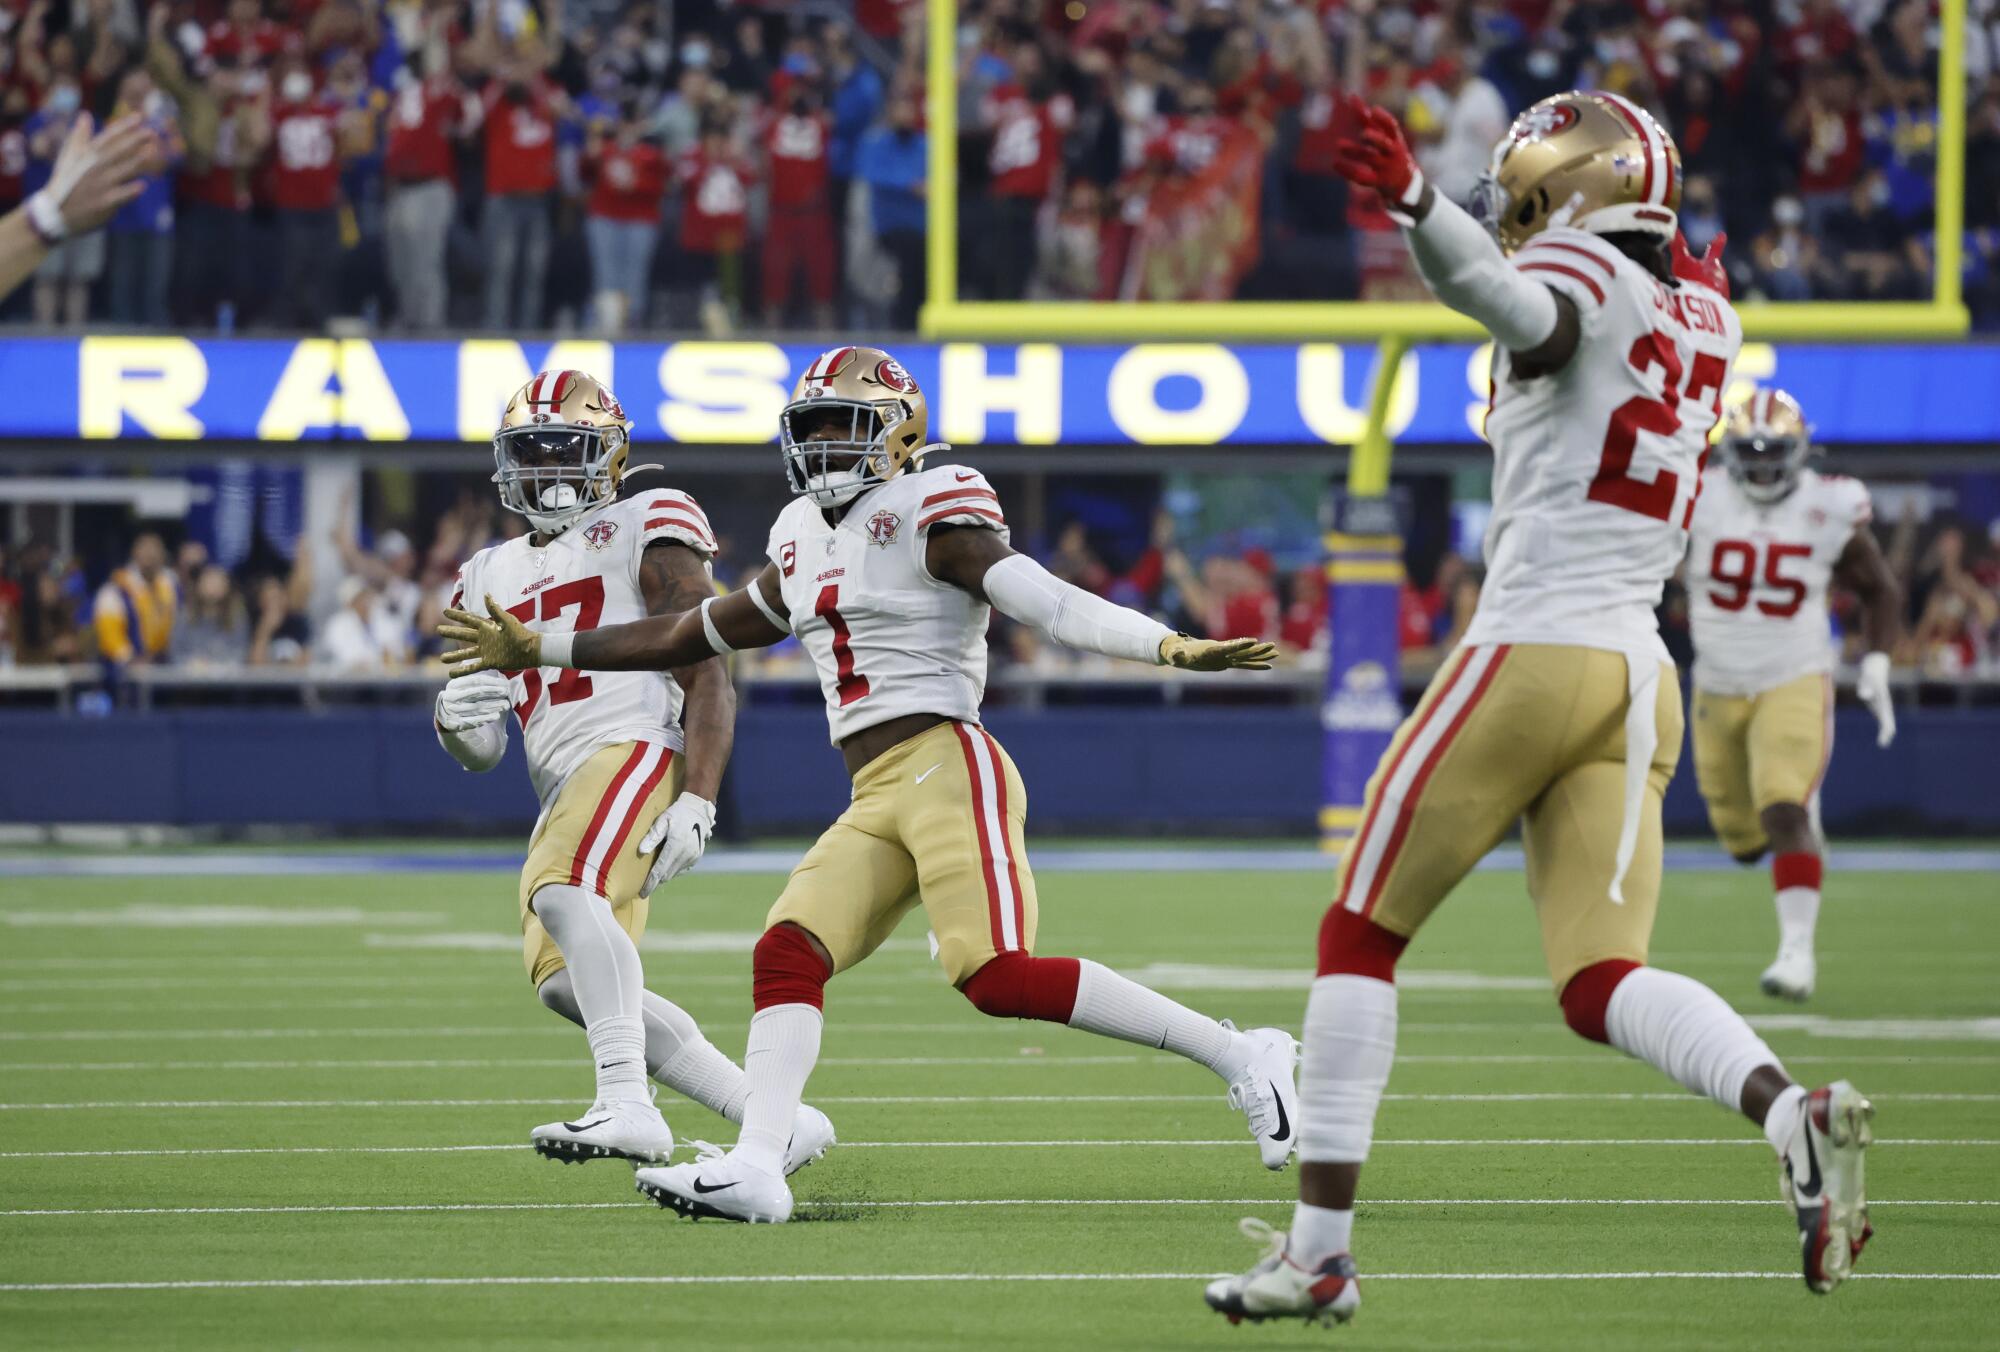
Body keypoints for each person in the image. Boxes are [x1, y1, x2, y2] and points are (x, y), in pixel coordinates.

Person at [1201, 92, 1874, 1328]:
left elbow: (1512, 304)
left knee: (1359, 937)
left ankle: (1317, 1253)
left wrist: (1413, 206)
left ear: (1561, 187)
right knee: (1598, 976)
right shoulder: (1710, 317)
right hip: (1639, 679)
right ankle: (1787, 1109)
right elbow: (1627, 312)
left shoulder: (1567, 274)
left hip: (1530, 647)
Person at [440, 346, 1298, 1226]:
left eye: (842, 428)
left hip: (950, 763)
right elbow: (688, 635)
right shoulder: (799, 535)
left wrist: (1165, 645)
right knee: (786, 952)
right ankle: (757, 1165)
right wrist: (535, 647)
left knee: (996, 975)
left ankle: (1241, 1052)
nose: (822, 447)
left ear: (899, 434)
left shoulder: (935, 507)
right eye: (810, 429)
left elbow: (1046, 600)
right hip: (878, 790)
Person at [433, 368, 834, 1173]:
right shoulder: (483, 572)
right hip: (563, 779)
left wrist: (700, 798)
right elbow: (484, 747)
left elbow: (707, 661)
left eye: (565, 451)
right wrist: (454, 724)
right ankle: (775, 1121)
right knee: (562, 982)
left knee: (562, 889)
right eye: (532, 455)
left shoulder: (648, 517)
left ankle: (627, 1101)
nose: (546, 471)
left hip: (637, 744)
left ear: (610, 455)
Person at [1685, 388, 1901, 1000]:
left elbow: (1880, 589)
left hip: (1793, 673)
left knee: (1783, 807)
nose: (1759, 465)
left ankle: (1797, 955)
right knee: (1744, 842)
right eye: (1749, 452)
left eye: (1771, 452)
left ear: (1798, 451)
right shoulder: (1699, 498)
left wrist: (1877, 660)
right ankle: (1798, 833)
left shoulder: (1827, 504)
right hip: (1716, 683)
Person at [92, 531, 177, 670]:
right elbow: (110, 636)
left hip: (162, 665)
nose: (150, 555)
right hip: (125, 669)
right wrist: (130, 659)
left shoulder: (171, 586)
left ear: (163, 555)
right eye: (145, 549)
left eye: (155, 550)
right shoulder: (116, 589)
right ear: (134, 553)